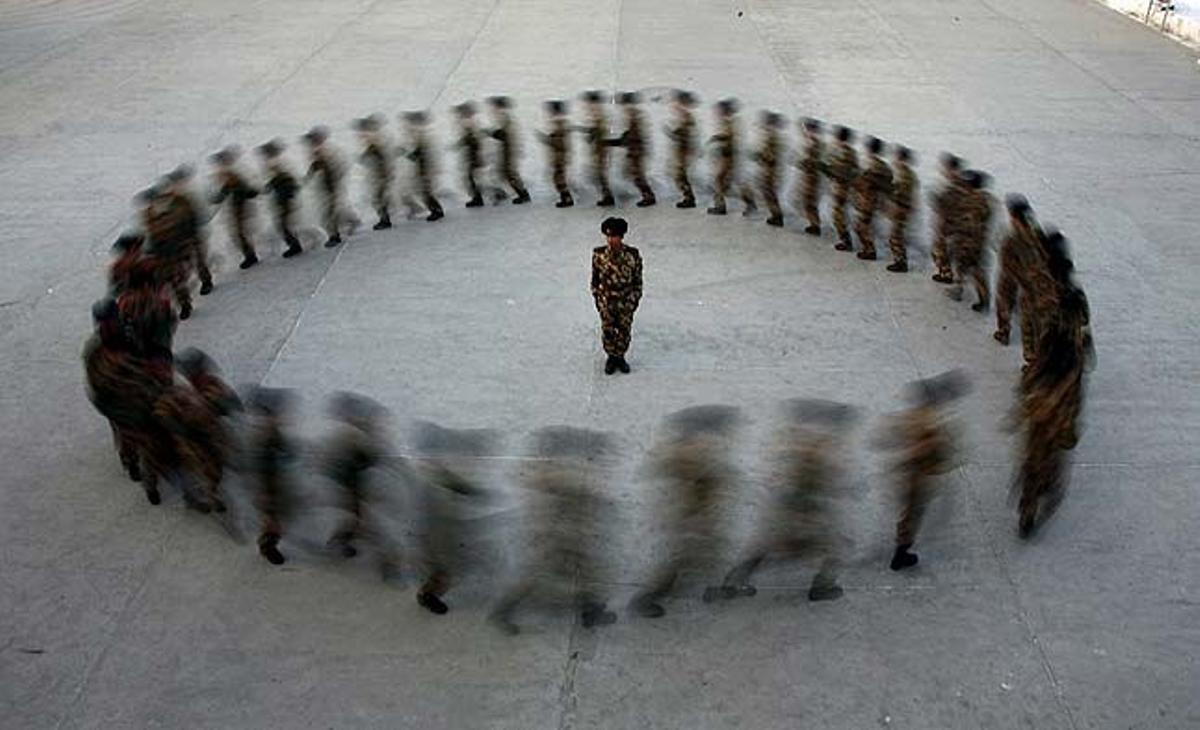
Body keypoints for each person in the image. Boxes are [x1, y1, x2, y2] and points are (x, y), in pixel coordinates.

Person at [711, 399, 854, 602]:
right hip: (803, 511)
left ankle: (731, 583)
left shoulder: (798, 440)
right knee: (833, 548)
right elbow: (817, 476)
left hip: (786, 508)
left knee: (768, 546)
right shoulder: (819, 448)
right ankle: (821, 588)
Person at [490, 426, 619, 634]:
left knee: (587, 573)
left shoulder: (568, 471)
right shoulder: (560, 473)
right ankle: (501, 613)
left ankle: (591, 612)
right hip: (552, 537)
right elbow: (564, 490)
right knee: (535, 577)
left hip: (571, 535)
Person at [629, 405, 741, 618]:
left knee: (709, 554)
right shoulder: (691, 452)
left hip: (698, 516)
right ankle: (647, 599)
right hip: (690, 519)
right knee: (682, 560)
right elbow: (688, 481)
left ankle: (714, 587)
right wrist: (694, 519)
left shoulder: (692, 448)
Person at [876, 371, 968, 570]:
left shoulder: (916, 415)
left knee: (909, 513)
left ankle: (902, 547)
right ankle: (900, 555)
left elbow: (889, 433)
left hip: (909, 476)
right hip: (918, 478)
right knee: (912, 514)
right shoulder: (931, 424)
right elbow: (932, 452)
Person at [245, 387, 299, 565]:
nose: (282, 417)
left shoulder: (274, 433)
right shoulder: (261, 440)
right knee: (272, 521)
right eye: (277, 414)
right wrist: (263, 495)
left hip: (278, 484)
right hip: (267, 488)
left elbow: (285, 452)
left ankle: (270, 539)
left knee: (278, 518)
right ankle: (267, 546)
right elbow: (256, 469)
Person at [993, 195, 1045, 366]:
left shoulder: (1013, 237)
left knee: (1005, 301)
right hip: (1036, 281)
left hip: (1016, 276)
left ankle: (1004, 331)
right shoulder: (1037, 231)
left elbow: (1006, 261)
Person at [590, 217, 643, 375]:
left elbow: (637, 281)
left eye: (614, 236)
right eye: (608, 236)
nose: (611, 240)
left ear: (621, 237)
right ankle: (611, 357)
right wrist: (598, 299)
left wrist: (633, 300)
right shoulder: (599, 254)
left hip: (625, 300)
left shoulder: (632, 255)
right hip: (606, 300)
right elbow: (595, 280)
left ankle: (620, 356)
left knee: (624, 330)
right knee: (608, 330)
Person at [947, 170, 994, 312]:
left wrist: (956, 233)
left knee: (972, 268)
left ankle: (981, 299)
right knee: (969, 268)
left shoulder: (971, 201)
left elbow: (966, 223)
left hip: (968, 241)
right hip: (978, 241)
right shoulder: (986, 199)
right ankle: (975, 295)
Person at [209, 146, 260, 269]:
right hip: (238, 206)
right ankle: (250, 254)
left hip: (240, 207)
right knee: (238, 232)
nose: (219, 166)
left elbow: (239, 189)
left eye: (221, 162)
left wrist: (220, 197)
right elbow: (227, 189)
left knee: (238, 233)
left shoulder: (232, 174)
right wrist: (218, 198)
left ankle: (250, 256)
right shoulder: (231, 174)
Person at [302, 125, 352, 247]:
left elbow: (335, 168)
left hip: (331, 186)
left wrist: (333, 184)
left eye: (313, 140)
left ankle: (334, 236)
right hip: (326, 186)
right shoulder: (319, 152)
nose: (311, 143)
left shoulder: (326, 151)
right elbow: (315, 167)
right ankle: (350, 221)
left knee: (329, 212)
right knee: (333, 209)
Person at [257, 139, 304, 258]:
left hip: (284, 199)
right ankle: (294, 244)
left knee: (283, 224)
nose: (264, 156)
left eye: (266, 153)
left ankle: (295, 246)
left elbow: (284, 181)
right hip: (282, 198)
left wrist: (271, 186)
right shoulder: (276, 163)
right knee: (283, 223)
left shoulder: (277, 164)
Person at [609, 91, 656, 207]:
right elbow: (627, 137)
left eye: (624, 105)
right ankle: (646, 194)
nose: (623, 109)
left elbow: (631, 138)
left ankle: (649, 196)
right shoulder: (633, 118)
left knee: (637, 175)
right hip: (635, 151)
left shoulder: (635, 119)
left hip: (637, 152)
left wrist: (613, 142)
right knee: (631, 174)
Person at [853, 136, 893, 260]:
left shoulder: (873, 167)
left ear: (869, 150)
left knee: (861, 226)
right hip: (876, 200)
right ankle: (869, 248)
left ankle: (870, 250)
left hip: (869, 201)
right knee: (864, 225)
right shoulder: (884, 167)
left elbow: (862, 184)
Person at [486, 96, 531, 204]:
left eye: (495, 106)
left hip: (509, 150)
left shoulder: (504, 117)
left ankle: (523, 194)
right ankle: (506, 193)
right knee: (502, 172)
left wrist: (492, 133)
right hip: (507, 149)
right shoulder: (504, 117)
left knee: (509, 173)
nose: (493, 109)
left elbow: (505, 135)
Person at [401, 111, 446, 221]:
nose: (410, 129)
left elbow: (416, 157)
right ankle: (434, 210)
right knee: (424, 192)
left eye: (411, 124)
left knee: (426, 192)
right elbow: (416, 156)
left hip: (426, 171)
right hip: (424, 171)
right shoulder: (422, 139)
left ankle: (436, 211)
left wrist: (404, 152)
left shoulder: (423, 139)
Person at [354, 114, 394, 230]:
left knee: (378, 198)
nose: (362, 134)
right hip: (381, 175)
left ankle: (385, 220)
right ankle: (385, 218)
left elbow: (380, 157)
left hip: (381, 176)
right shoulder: (376, 141)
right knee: (378, 198)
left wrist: (365, 157)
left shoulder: (376, 142)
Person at [929, 153, 964, 283]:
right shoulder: (957, 184)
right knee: (941, 250)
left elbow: (948, 206)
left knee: (943, 250)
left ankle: (948, 275)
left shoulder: (955, 187)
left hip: (951, 225)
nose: (943, 171)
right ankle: (946, 273)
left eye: (945, 168)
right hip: (950, 224)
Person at [706, 98, 743, 216]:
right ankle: (721, 205)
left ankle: (721, 206)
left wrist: (717, 138)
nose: (717, 112)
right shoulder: (728, 122)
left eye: (719, 110)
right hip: (726, 156)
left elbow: (728, 138)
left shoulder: (728, 123)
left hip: (727, 157)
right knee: (724, 181)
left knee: (719, 180)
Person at [579, 90, 614, 207]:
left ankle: (608, 197)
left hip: (601, 151)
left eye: (590, 104)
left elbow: (602, 134)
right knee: (597, 174)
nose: (588, 107)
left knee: (598, 174)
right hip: (598, 150)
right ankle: (607, 196)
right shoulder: (597, 117)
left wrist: (593, 134)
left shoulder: (600, 118)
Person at [827, 126, 859, 251]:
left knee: (838, 215)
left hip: (841, 187)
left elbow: (840, 170)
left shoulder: (842, 153)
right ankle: (845, 239)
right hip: (846, 187)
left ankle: (846, 241)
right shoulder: (852, 152)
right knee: (840, 213)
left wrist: (831, 171)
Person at [750, 111, 785, 227]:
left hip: (771, 171)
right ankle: (776, 214)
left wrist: (761, 156)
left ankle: (777, 216)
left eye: (767, 123)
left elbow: (771, 156)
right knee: (768, 192)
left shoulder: (773, 137)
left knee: (769, 192)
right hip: (769, 169)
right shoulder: (772, 136)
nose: (764, 125)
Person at [665, 89, 698, 208]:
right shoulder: (684, 116)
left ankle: (689, 198)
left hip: (684, 151)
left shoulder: (687, 116)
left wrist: (673, 133)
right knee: (679, 175)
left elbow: (685, 136)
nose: (675, 104)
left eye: (678, 102)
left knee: (680, 175)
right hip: (682, 150)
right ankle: (688, 197)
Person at [886, 146, 917, 272]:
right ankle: (900, 260)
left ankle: (901, 262)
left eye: (896, 157)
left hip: (901, 208)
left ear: (901, 159)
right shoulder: (907, 173)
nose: (894, 160)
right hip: (903, 208)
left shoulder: (905, 175)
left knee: (896, 236)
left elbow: (900, 194)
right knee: (897, 235)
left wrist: (891, 197)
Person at [538, 99, 573, 208]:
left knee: (558, 178)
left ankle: (567, 198)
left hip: (559, 157)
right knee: (558, 178)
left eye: (551, 112)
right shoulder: (559, 124)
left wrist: (546, 139)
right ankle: (566, 197)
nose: (549, 115)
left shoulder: (559, 125)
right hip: (559, 157)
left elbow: (558, 143)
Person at [452, 102, 486, 208]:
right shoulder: (469, 122)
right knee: (472, 178)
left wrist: (461, 143)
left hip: (474, 155)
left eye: (461, 112)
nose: (459, 115)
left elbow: (471, 139)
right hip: (473, 155)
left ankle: (479, 198)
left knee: (471, 178)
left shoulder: (470, 123)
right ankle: (478, 198)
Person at [796, 117, 825, 236]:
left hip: (812, 177)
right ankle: (814, 224)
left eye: (809, 129)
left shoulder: (816, 143)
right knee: (808, 201)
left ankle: (815, 225)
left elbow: (813, 161)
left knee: (810, 201)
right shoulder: (814, 141)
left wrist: (803, 163)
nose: (807, 131)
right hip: (810, 176)